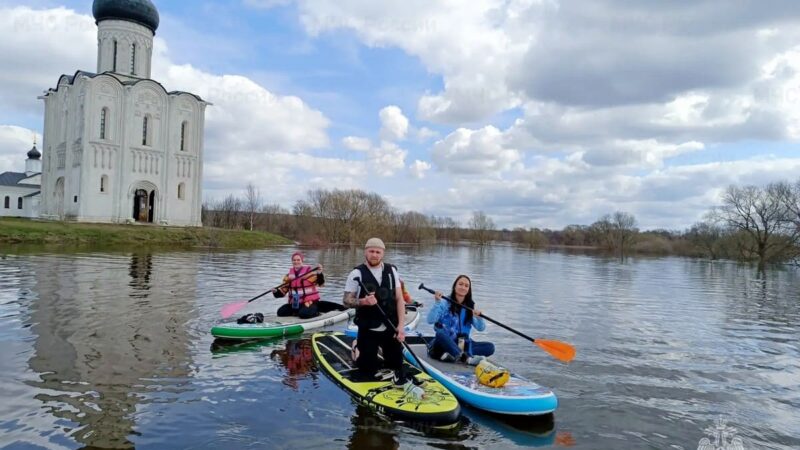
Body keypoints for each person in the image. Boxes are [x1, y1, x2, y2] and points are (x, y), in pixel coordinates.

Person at [344, 238, 419, 393]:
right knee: (367, 369)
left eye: (378, 252)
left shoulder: (392, 271)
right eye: (371, 251)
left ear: (383, 254)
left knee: (395, 366)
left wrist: (401, 327)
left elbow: (399, 299)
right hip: (368, 328)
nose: (374, 255)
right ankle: (357, 347)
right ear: (365, 252)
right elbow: (346, 301)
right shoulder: (356, 273)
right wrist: (363, 301)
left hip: (390, 327)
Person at [427, 275, 495, 365]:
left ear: (469, 290)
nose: (463, 287)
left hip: (461, 345)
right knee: (440, 334)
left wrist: (479, 318)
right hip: (444, 344)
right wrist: (437, 303)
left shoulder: (470, 307)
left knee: (490, 347)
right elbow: (430, 320)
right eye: (460, 284)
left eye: (466, 286)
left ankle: (454, 355)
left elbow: (481, 328)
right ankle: (466, 358)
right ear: (455, 286)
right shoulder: (444, 303)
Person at [274, 252, 324, 319]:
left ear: (302, 261)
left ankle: (316, 312)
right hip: (296, 304)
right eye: (294, 260)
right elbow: (282, 293)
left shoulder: (309, 274)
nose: (296, 262)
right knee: (281, 312)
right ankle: (298, 312)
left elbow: (320, 283)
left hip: (309, 302)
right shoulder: (288, 276)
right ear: (292, 261)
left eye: (298, 260)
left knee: (304, 314)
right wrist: (275, 291)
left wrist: (319, 273)